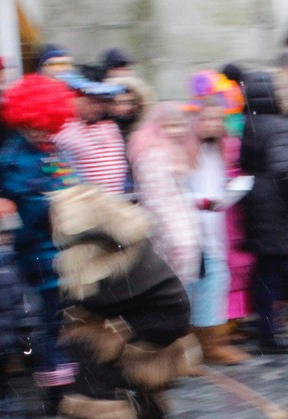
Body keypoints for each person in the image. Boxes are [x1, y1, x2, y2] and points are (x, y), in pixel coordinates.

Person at [51, 185, 196, 419]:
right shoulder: (129, 245)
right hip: (164, 317)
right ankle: (151, 413)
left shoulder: (113, 262)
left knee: (91, 349)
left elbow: (94, 302)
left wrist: (75, 311)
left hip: (157, 322)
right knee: (108, 341)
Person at [0, 74, 80, 412]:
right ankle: (57, 395)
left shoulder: (52, 149)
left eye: (47, 127)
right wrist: (66, 201)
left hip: (63, 248)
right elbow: (33, 209)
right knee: (51, 321)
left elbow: (72, 182)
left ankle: (67, 385)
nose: (42, 133)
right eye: (35, 126)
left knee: (64, 320)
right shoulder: (12, 158)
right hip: (39, 252)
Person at [239, 69, 288, 354]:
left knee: (265, 269)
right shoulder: (282, 126)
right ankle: (270, 334)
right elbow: (283, 171)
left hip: (257, 199)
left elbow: (247, 162)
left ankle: (266, 328)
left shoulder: (251, 123)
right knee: (274, 270)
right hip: (277, 206)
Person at [186, 89, 251, 365]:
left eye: (216, 119)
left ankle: (212, 342)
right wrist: (201, 202)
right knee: (195, 285)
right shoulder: (185, 152)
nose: (212, 125)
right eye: (206, 119)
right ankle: (194, 346)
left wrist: (231, 191)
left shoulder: (222, 150)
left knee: (215, 282)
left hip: (215, 228)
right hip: (190, 229)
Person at [129, 103, 203, 294]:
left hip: (179, 222)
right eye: (168, 126)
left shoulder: (174, 150)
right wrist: (178, 236)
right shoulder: (153, 152)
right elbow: (157, 198)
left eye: (179, 125)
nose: (175, 131)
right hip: (168, 228)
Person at [0, 203, 37, 419]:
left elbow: (18, 299)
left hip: (1, 339)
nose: (6, 237)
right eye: (0, 232)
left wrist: (23, 329)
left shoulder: (7, 262)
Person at [54, 77, 130, 195]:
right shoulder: (65, 131)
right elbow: (59, 172)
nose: (97, 108)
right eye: (91, 102)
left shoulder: (111, 128)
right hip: (84, 204)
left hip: (115, 202)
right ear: (75, 100)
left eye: (100, 102)